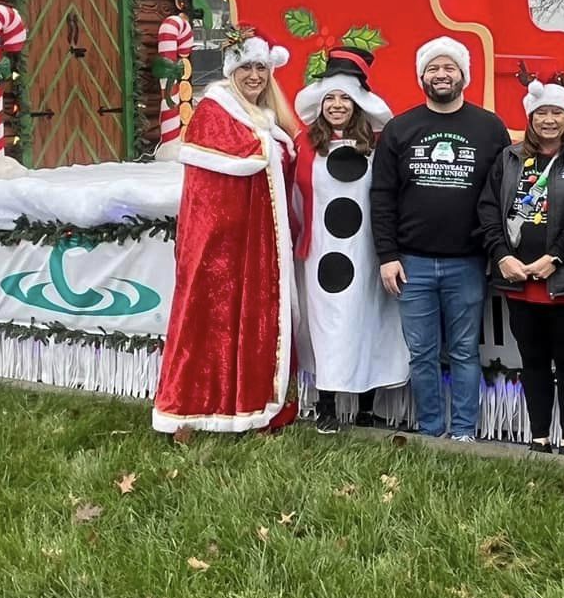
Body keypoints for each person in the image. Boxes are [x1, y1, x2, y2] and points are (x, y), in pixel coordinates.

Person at [152, 30, 302, 434]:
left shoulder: (263, 116)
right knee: (207, 325)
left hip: (255, 244)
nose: (254, 76)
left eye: (261, 68)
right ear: (230, 72)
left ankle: (251, 407)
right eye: (246, 68)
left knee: (250, 323)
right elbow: (249, 155)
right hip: (218, 246)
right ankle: (185, 412)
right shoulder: (215, 112)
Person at [371, 37, 512, 440]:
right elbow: (381, 196)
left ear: (463, 75)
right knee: (422, 354)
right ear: (422, 77)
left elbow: (504, 194)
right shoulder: (401, 128)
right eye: (433, 68)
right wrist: (387, 254)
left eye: (449, 67)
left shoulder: (489, 128)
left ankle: (465, 432)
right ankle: (432, 431)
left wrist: (496, 252)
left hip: (467, 262)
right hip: (411, 263)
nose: (441, 75)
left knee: (466, 351)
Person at [478, 73, 564, 456]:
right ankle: (539, 439)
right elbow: (488, 211)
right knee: (532, 359)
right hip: (520, 281)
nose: (549, 120)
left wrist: (556, 258)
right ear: (530, 117)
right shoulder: (510, 158)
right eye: (541, 113)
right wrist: (503, 256)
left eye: (556, 112)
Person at [293, 46, 409, 434]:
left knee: (367, 322)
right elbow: (294, 198)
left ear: (358, 103)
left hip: (367, 252)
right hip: (322, 253)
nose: (338, 105)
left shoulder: (379, 144)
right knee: (327, 326)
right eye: (331, 98)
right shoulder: (305, 145)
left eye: (345, 98)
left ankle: (364, 405)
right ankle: (327, 405)